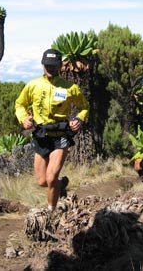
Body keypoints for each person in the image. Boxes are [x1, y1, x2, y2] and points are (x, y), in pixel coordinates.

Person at [15, 48, 89, 212]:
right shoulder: (33, 85)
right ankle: (61, 186)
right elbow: (19, 104)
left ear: (60, 66)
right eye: (47, 65)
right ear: (42, 65)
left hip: (60, 136)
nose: (50, 68)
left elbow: (84, 107)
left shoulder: (70, 88)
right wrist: (23, 119)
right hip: (41, 135)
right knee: (42, 181)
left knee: (51, 177)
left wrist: (79, 119)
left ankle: (51, 212)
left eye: (54, 65)